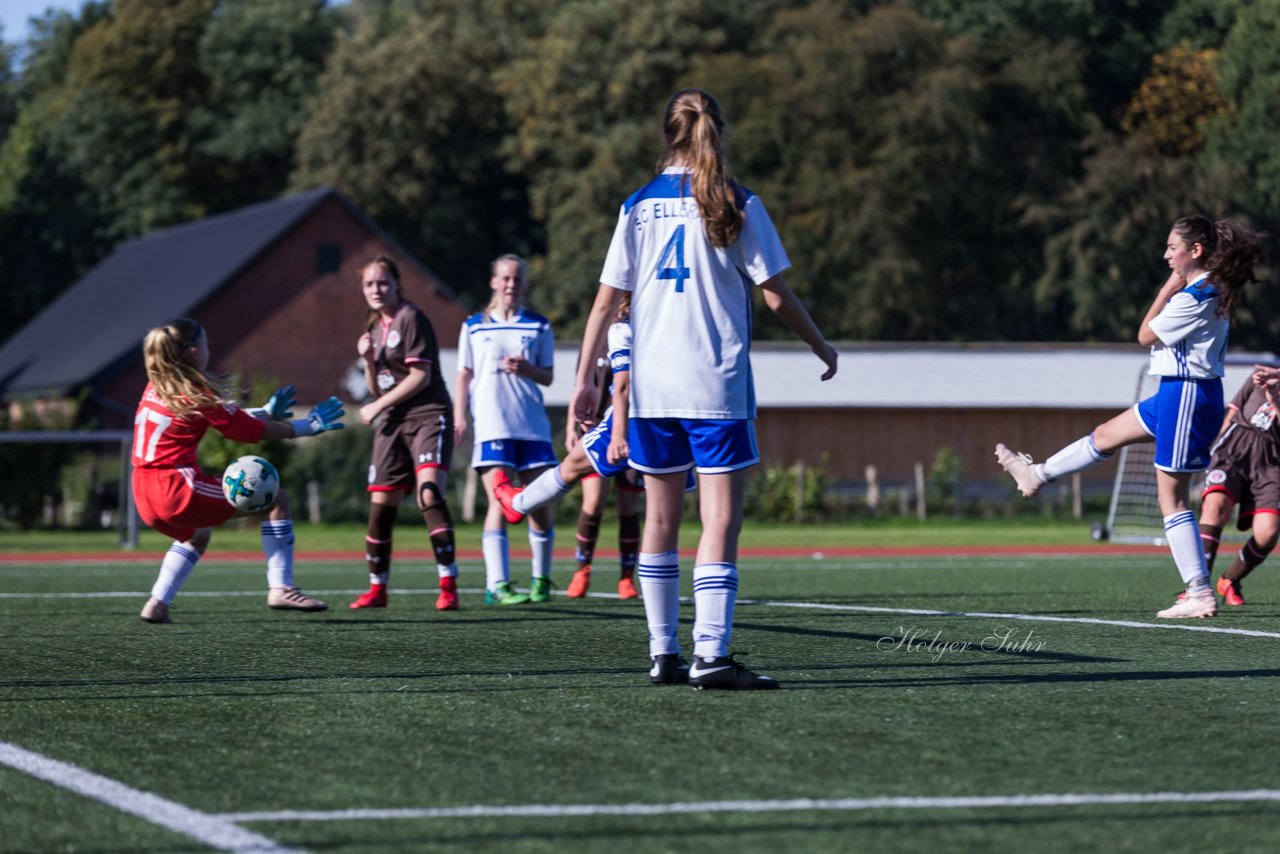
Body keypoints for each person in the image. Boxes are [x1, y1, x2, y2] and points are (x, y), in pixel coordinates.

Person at [570, 88, 839, 690]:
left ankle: (663, 653)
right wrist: (821, 344)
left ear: (667, 137)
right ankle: (711, 655)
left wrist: (583, 380)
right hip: (715, 385)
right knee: (719, 517)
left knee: (658, 522)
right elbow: (774, 294)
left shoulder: (636, 206)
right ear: (719, 132)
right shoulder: (736, 200)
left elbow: (606, 302)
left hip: (650, 390)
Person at [996, 215, 1266, 619]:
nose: (1166, 255)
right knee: (1105, 435)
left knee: (1170, 499)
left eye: (1172, 248)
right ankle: (1038, 475)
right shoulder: (1203, 288)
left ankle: (1199, 592)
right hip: (1174, 393)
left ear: (1195, 251)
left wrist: (1166, 289)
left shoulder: (1198, 294)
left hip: (1188, 396)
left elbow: (1144, 336)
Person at [132, 318, 345, 623]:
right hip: (176, 488)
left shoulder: (157, 386)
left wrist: (266, 413)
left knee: (197, 534)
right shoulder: (196, 391)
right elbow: (244, 431)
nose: (208, 350)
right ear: (193, 351)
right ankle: (281, 587)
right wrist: (307, 426)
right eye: (206, 344)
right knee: (277, 499)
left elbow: (220, 417)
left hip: (143, 494)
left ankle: (157, 604)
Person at [494, 294, 668, 600]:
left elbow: (623, 387)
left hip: (628, 424)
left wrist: (617, 435)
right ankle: (584, 570)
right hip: (653, 420)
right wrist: (574, 426)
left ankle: (520, 502)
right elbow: (584, 388)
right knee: (652, 512)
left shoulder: (625, 331)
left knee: (633, 505)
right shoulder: (618, 338)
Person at [347, 255, 463, 612]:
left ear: (397, 284)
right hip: (393, 422)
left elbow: (420, 377)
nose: (376, 290)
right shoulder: (374, 327)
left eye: (383, 282)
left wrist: (377, 407)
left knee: (428, 495)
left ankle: (448, 586)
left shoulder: (410, 317)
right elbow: (378, 389)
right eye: (369, 284)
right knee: (381, 507)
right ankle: (377, 589)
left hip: (428, 415)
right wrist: (367, 360)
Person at [453, 254, 558, 605]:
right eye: (505, 279)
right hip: (492, 425)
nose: (511, 284)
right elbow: (464, 374)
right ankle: (497, 584)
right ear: (493, 282)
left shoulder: (539, 326)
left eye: (517, 279)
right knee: (500, 500)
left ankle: (541, 579)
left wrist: (527, 368)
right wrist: (459, 415)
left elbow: (548, 377)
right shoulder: (474, 326)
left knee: (539, 505)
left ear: (524, 284)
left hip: (532, 427)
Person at [1196, 366, 1280, 606]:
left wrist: (1275, 400)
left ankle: (1230, 579)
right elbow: (1233, 412)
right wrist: (1214, 451)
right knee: (1215, 507)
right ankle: (1197, 588)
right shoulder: (1261, 376)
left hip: (1271, 460)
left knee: (1268, 533)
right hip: (1234, 447)